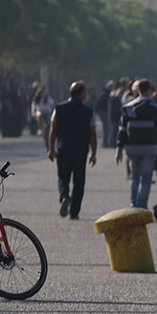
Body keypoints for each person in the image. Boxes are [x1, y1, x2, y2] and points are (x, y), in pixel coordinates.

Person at [47, 81, 97, 220]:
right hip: (81, 149)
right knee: (79, 181)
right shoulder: (88, 111)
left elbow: (53, 129)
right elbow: (92, 133)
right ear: (80, 94)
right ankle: (74, 212)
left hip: (63, 147)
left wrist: (51, 148)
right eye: (85, 92)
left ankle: (64, 196)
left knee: (63, 177)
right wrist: (94, 153)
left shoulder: (59, 108)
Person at [116, 79, 157, 209]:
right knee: (145, 179)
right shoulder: (155, 108)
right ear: (150, 91)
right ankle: (142, 207)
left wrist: (119, 149)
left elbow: (122, 130)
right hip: (149, 148)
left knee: (135, 177)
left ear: (137, 90)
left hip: (132, 148)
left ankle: (134, 205)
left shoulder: (128, 108)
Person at [32, 86, 55, 150]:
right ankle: (40, 128)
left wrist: (53, 112)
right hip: (40, 113)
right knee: (40, 114)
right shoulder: (37, 99)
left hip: (47, 113)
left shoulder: (48, 98)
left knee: (48, 119)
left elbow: (52, 104)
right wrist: (33, 113)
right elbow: (34, 107)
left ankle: (47, 127)